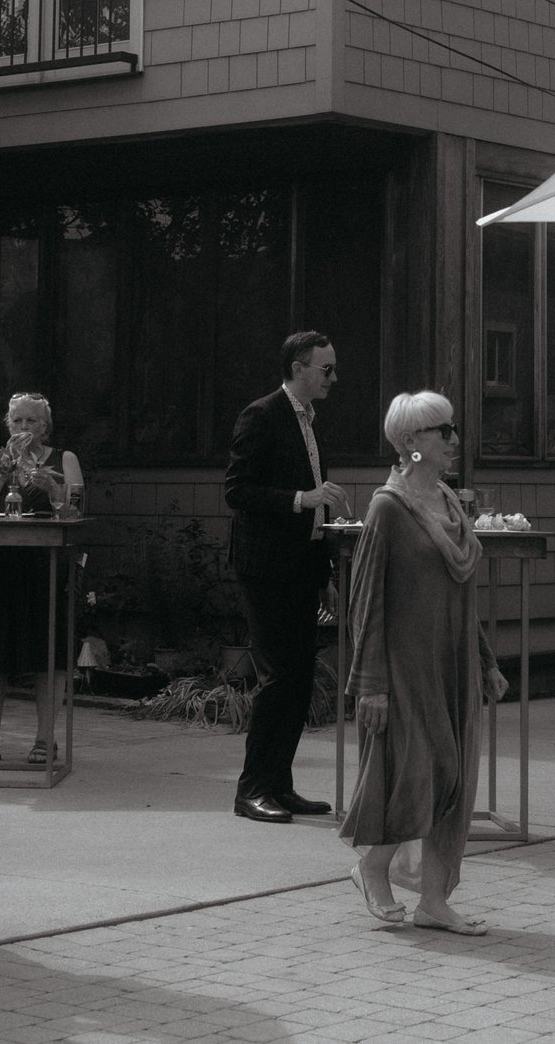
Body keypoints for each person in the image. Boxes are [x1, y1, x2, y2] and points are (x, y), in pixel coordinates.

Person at [341, 391, 505, 935]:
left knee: (454, 780)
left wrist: (484, 661)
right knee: (418, 775)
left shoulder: (452, 504)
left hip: (452, 665)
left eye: (453, 429)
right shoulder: (387, 508)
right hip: (402, 669)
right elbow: (366, 601)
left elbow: (463, 598)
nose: (455, 440)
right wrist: (370, 684)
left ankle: (434, 901)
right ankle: (372, 867)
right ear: (411, 442)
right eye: (444, 430)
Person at [222, 330, 351, 824]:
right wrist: (302, 498)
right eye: (326, 369)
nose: (333, 378)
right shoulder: (261, 414)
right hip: (266, 568)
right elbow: (238, 491)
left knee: (298, 681)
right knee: (279, 677)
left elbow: (314, 510)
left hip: (301, 565)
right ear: (299, 367)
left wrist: (326, 576)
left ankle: (279, 784)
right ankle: (251, 789)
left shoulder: (310, 421)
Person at [0, 393, 82, 766]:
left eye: (31, 422)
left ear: (45, 426)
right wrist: (4, 464)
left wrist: (53, 489)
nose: (24, 429)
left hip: (44, 564)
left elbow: (76, 510)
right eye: (17, 422)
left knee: (47, 652)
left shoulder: (64, 459)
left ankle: (45, 740)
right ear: (8, 425)